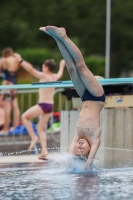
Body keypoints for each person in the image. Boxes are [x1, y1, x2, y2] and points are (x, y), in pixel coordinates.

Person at [39, 26, 105, 169]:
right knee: (80, 67)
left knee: (70, 67)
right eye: (82, 149)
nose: (79, 146)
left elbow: (72, 148)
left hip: (84, 97)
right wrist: (88, 164)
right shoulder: (94, 138)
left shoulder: (78, 135)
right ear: (89, 150)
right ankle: (63, 36)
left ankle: (56, 37)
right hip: (97, 97)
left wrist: (70, 162)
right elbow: (94, 150)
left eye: (78, 148)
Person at [14, 54, 66, 158]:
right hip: (50, 105)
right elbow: (60, 73)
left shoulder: (44, 76)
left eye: (42, 67)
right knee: (40, 128)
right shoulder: (54, 76)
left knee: (24, 117)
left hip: (43, 105)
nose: (42, 69)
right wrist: (62, 65)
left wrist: (20, 59)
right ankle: (44, 151)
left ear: (46, 68)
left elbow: (30, 69)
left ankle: (34, 137)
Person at [0, 47, 21, 134]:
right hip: (14, 84)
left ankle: (5, 129)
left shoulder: (4, 60)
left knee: (7, 107)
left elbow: (3, 74)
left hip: (7, 85)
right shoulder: (15, 60)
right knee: (15, 106)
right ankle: (15, 127)